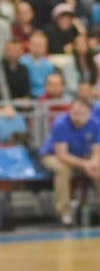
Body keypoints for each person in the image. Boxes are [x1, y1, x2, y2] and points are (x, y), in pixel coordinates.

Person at [40, 96, 100, 226]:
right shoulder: (61, 123)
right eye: (74, 112)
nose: (77, 116)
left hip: (81, 155)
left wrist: (94, 163)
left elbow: (97, 151)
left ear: (89, 113)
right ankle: (64, 213)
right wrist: (85, 164)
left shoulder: (95, 124)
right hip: (53, 155)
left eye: (81, 113)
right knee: (63, 170)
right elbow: (62, 155)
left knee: (98, 168)